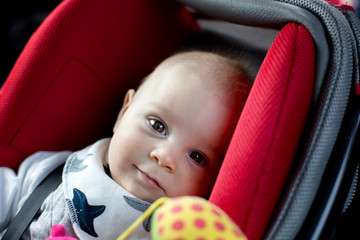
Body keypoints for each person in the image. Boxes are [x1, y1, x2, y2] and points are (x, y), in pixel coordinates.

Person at [0, 50, 252, 239]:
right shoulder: (53, 172)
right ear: (124, 112)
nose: (165, 157)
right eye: (157, 126)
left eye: (197, 157)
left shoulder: (172, 233)